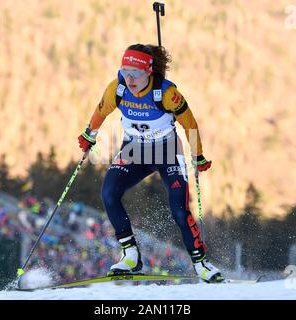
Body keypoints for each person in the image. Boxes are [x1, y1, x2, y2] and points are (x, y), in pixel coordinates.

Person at [77, 44, 222, 283]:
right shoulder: (118, 88)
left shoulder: (166, 93)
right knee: (109, 193)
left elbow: (190, 123)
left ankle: (201, 263)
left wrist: (198, 155)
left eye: (135, 73)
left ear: (149, 72)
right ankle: (131, 255)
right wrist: (88, 134)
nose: (129, 78)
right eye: (125, 70)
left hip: (166, 151)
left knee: (179, 209)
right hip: (134, 150)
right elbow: (101, 111)